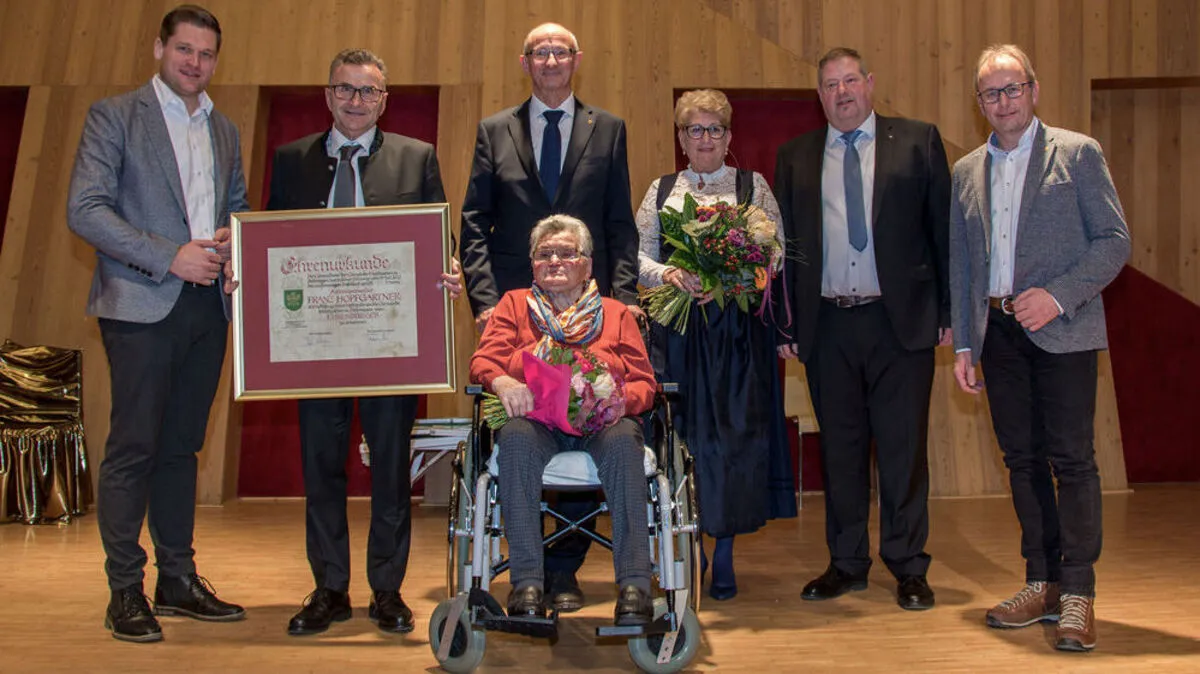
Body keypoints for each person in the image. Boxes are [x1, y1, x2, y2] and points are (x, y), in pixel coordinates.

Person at [260, 48, 462, 637]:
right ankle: (328, 589)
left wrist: (447, 267)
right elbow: (272, 246)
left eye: (367, 92)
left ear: (384, 100)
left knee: (392, 470)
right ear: (328, 95)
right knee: (322, 469)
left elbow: (436, 238)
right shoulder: (291, 160)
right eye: (345, 90)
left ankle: (387, 591)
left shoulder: (416, 157)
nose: (355, 101)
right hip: (315, 349)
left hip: (390, 346)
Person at [66, 4, 248, 643]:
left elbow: (236, 207)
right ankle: (125, 590)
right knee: (133, 449)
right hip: (142, 304)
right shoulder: (114, 116)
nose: (195, 63)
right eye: (185, 50)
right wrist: (167, 254)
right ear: (158, 49)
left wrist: (233, 242)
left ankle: (177, 580)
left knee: (181, 449)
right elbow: (84, 210)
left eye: (206, 54)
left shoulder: (223, 129)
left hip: (208, 310)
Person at [950, 44, 1131, 652]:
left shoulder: (1077, 154)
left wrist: (1056, 297)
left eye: (1012, 89)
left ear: (1033, 89)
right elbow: (963, 263)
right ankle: (1042, 581)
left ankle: (1078, 591)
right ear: (979, 103)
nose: (1002, 102)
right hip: (996, 336)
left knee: (1072, 462)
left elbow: (1113, 241)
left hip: (1064, 329)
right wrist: (964, 343)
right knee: (1021, 462)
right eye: (990, 93)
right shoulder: (967, 170)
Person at [460, 22, 641, 613]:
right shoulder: (494, 130)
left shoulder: (608, 129)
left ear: (576, 60)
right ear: (526, 62)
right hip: (522, 311)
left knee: (598, 425)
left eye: (560, 51)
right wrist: (489, 306)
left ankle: (564, 568)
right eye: (541, 52)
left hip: (592, 311)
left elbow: (618, 224)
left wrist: (616, 305)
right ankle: (532, 576)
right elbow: (475, 224)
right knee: (526, 432)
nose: (552, 61)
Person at [774, 47, 951, 611]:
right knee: (842, 452)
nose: (842, 92)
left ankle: (908, 566)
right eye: (830, 85)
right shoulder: (795, 156)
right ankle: (847, 563)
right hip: (828, 325)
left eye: (851, 80)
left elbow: (943, 234)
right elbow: (786, 250)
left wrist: (948, 313)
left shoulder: (918, 140)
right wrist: (787, 321)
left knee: (903, 451)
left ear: (870, 84)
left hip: (900, 323)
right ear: (819, 95)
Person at [634, 89, 796, 601]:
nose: (705, 139)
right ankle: (690, 547)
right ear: (681, 139)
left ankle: (723, 548)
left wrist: (743, 271)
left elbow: (777, 251)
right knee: (683, 438)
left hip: (738, 339)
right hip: (679, 335)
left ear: (729, 137)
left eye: (715, 130)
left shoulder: (753, 186)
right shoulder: (661, 191)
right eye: (694, 130)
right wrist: (673, 273)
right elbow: (637, 257)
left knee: (734, 440)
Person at [469, 214, 656, 625]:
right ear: (532, 264)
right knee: (513, 437)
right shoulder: (514, 305)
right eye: (544, 254)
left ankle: (634, 586)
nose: (555, 261)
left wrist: (621, 404)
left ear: (587, 265)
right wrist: (502, 381)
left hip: (603, 427)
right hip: (538, 424)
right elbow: (483, 360)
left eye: (567, 253)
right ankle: (527, 585)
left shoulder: (615, 313)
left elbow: (645, 381)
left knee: (627, 441)